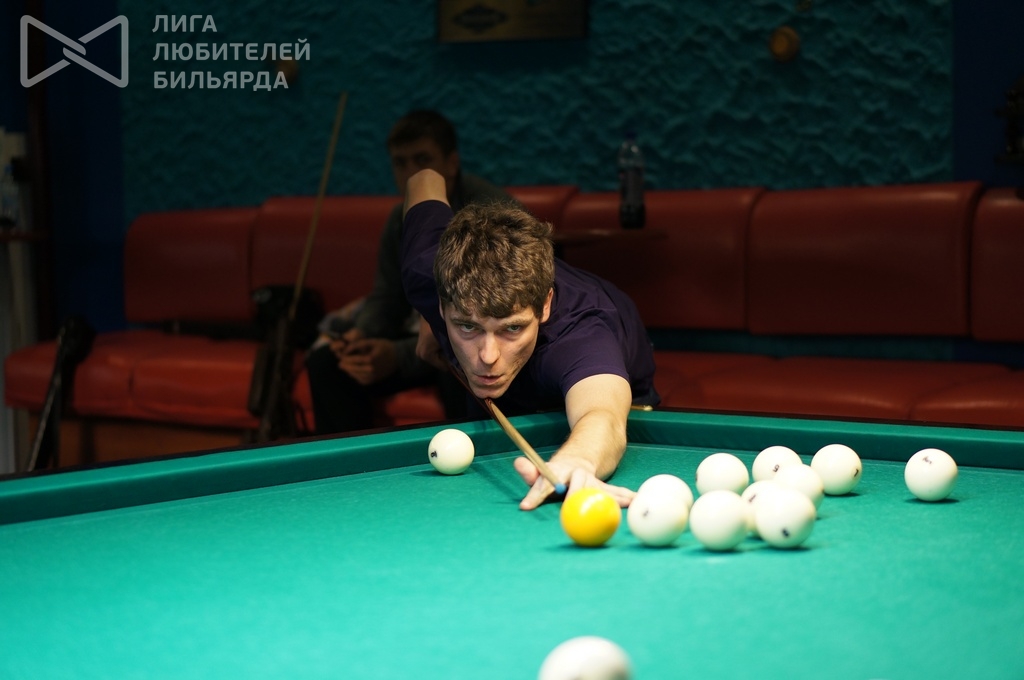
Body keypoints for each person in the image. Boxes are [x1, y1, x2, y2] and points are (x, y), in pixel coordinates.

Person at [400, 169, 659, 511]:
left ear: (545, 305)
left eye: (511, 329)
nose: (488, 356)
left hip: (617, 391)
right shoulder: (424, 269)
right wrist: (428, 318)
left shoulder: (580, 334)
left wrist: (579, 461)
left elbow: (602, 414)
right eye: (468, 327)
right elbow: (425, 178)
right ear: (442, 304)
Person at [305, 110, 516, 434]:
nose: (411, 173)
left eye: (422, 160)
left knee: (460, 368)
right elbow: (387, 296)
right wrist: (361, 336)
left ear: (452, 163)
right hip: (415, 339)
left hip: (472, 339)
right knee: (327, 364)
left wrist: (397, 356)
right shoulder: (398, 219)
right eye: (400, 163)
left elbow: (483, 321)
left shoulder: (490, 214)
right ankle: (355, 463)